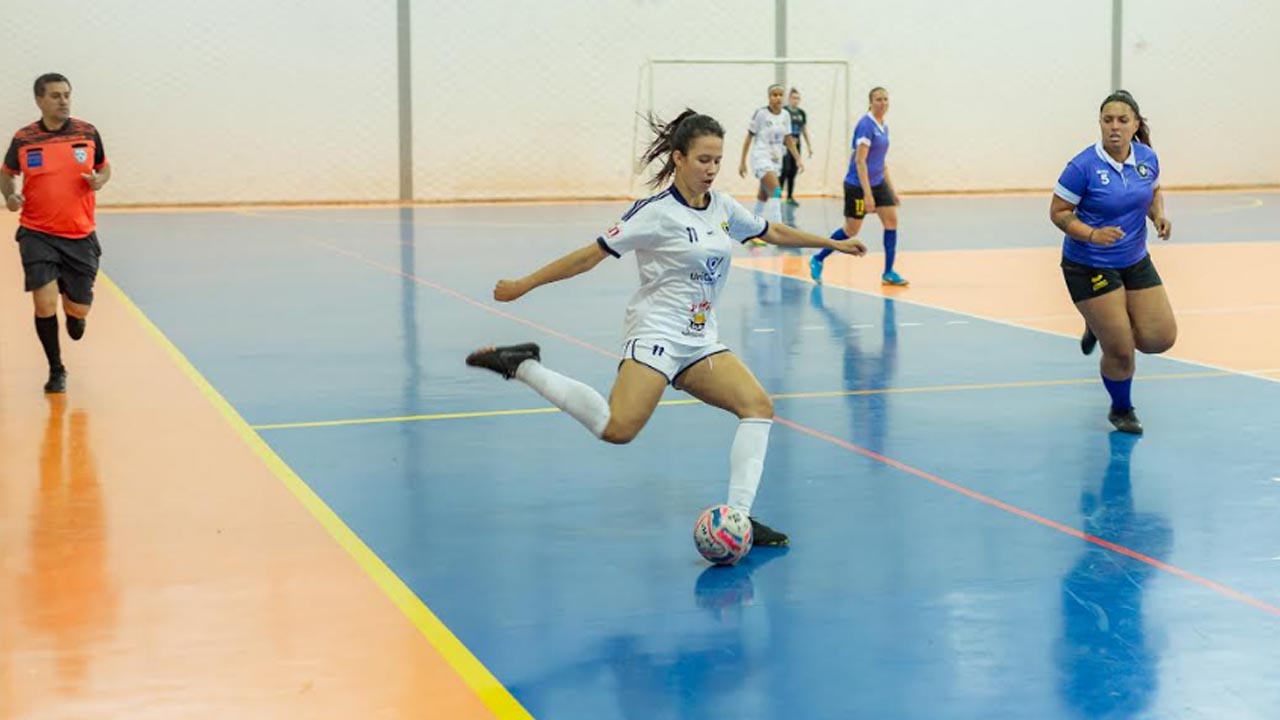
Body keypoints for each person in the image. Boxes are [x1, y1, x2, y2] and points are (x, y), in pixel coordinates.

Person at [465, 110, 866, 548]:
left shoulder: (724, 208)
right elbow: (589, 256)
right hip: (655, 335)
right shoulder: (654, 214)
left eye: (717, 160)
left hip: (700, 340)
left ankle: (738, 520)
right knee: (617, 429)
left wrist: (833, 243)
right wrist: (525, 284)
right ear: (678, 158)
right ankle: (523, 366)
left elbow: (771, 231)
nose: (712, 169)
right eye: (703, 160)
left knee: (758, 406)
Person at [1049, 90, 1175, 434]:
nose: (1114, 127)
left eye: (1122, 120)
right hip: (1088, 264)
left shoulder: (1147, 158)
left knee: (1160, 339)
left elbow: (1152, 191)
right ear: (1100, 125)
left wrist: (1158, 216)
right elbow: (1058, 213)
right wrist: (1091, 234)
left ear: (1135, 125)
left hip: (1134, 259)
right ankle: (1121, 409)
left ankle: (1099, 323)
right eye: (1108, 120)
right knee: (1120, 351)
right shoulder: (1082, 167)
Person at [2, 73, 112, 393]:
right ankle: (56, 369)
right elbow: (6, 174)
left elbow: (104, 166)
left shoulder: (87, 132)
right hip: (37, 232)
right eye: (55, 96)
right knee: (43, 304)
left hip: (79, 234)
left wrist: (100, 181)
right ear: (39, 100)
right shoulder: (24, 138)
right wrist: (9, 196)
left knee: (77, 311)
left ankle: (75, 311)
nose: (63, 100)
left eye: (66, 95)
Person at [809, 86, 907, 286]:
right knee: (852, 230)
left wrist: (892, 189)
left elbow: (880, 161)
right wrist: (868, 195)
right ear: (870, 102)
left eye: (886, 99)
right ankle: (818, 258)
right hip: (858, 186)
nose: (883, 103)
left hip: (879, 182)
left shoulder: (883, 126)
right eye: (878, 99)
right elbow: (860, 162)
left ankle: (888, 272)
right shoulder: (866, 125)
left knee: (891, 222)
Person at [738, 84, 803, 234]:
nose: (778, 98)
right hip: (761, 158)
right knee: (776, 190)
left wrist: (798, 158)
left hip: (776, 160)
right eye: (774, 95)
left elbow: (788, 138)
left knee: (763, 195)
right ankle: (779, 229)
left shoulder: (785, 115)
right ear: (769, 97)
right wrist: (742, 162)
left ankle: (751, 229)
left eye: (780, 95)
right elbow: (749, 137)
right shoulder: (761, 114)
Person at [779, 88, 812, 206]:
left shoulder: (801, 113)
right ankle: (777, 196)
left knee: (793, 171)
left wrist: (809, 146)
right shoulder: (784, 111)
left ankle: (789, 196)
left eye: (798, 98)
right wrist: (785, 139)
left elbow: (804, 129)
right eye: (793, 98)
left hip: (797, 145)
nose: (796, 100)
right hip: (784, 146)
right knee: (784, 171)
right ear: (789, 99)